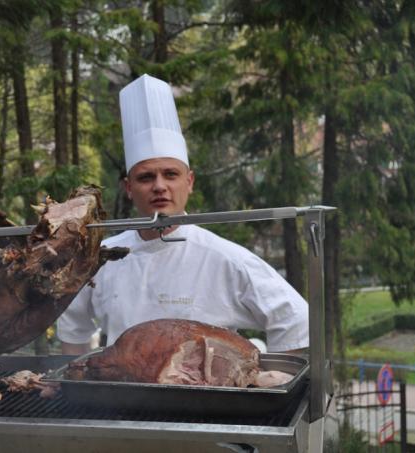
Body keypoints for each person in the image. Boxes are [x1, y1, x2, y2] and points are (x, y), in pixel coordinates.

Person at [57, 74, 309, 355]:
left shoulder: (225, 259)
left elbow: (297, 320)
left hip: (208, 398)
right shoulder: (100, 259)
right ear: (128, 188)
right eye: (146, 177)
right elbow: (71, 325)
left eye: (170, 174)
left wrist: (272, 384)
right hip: (122, 395)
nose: (160, 186)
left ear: (189, 182)